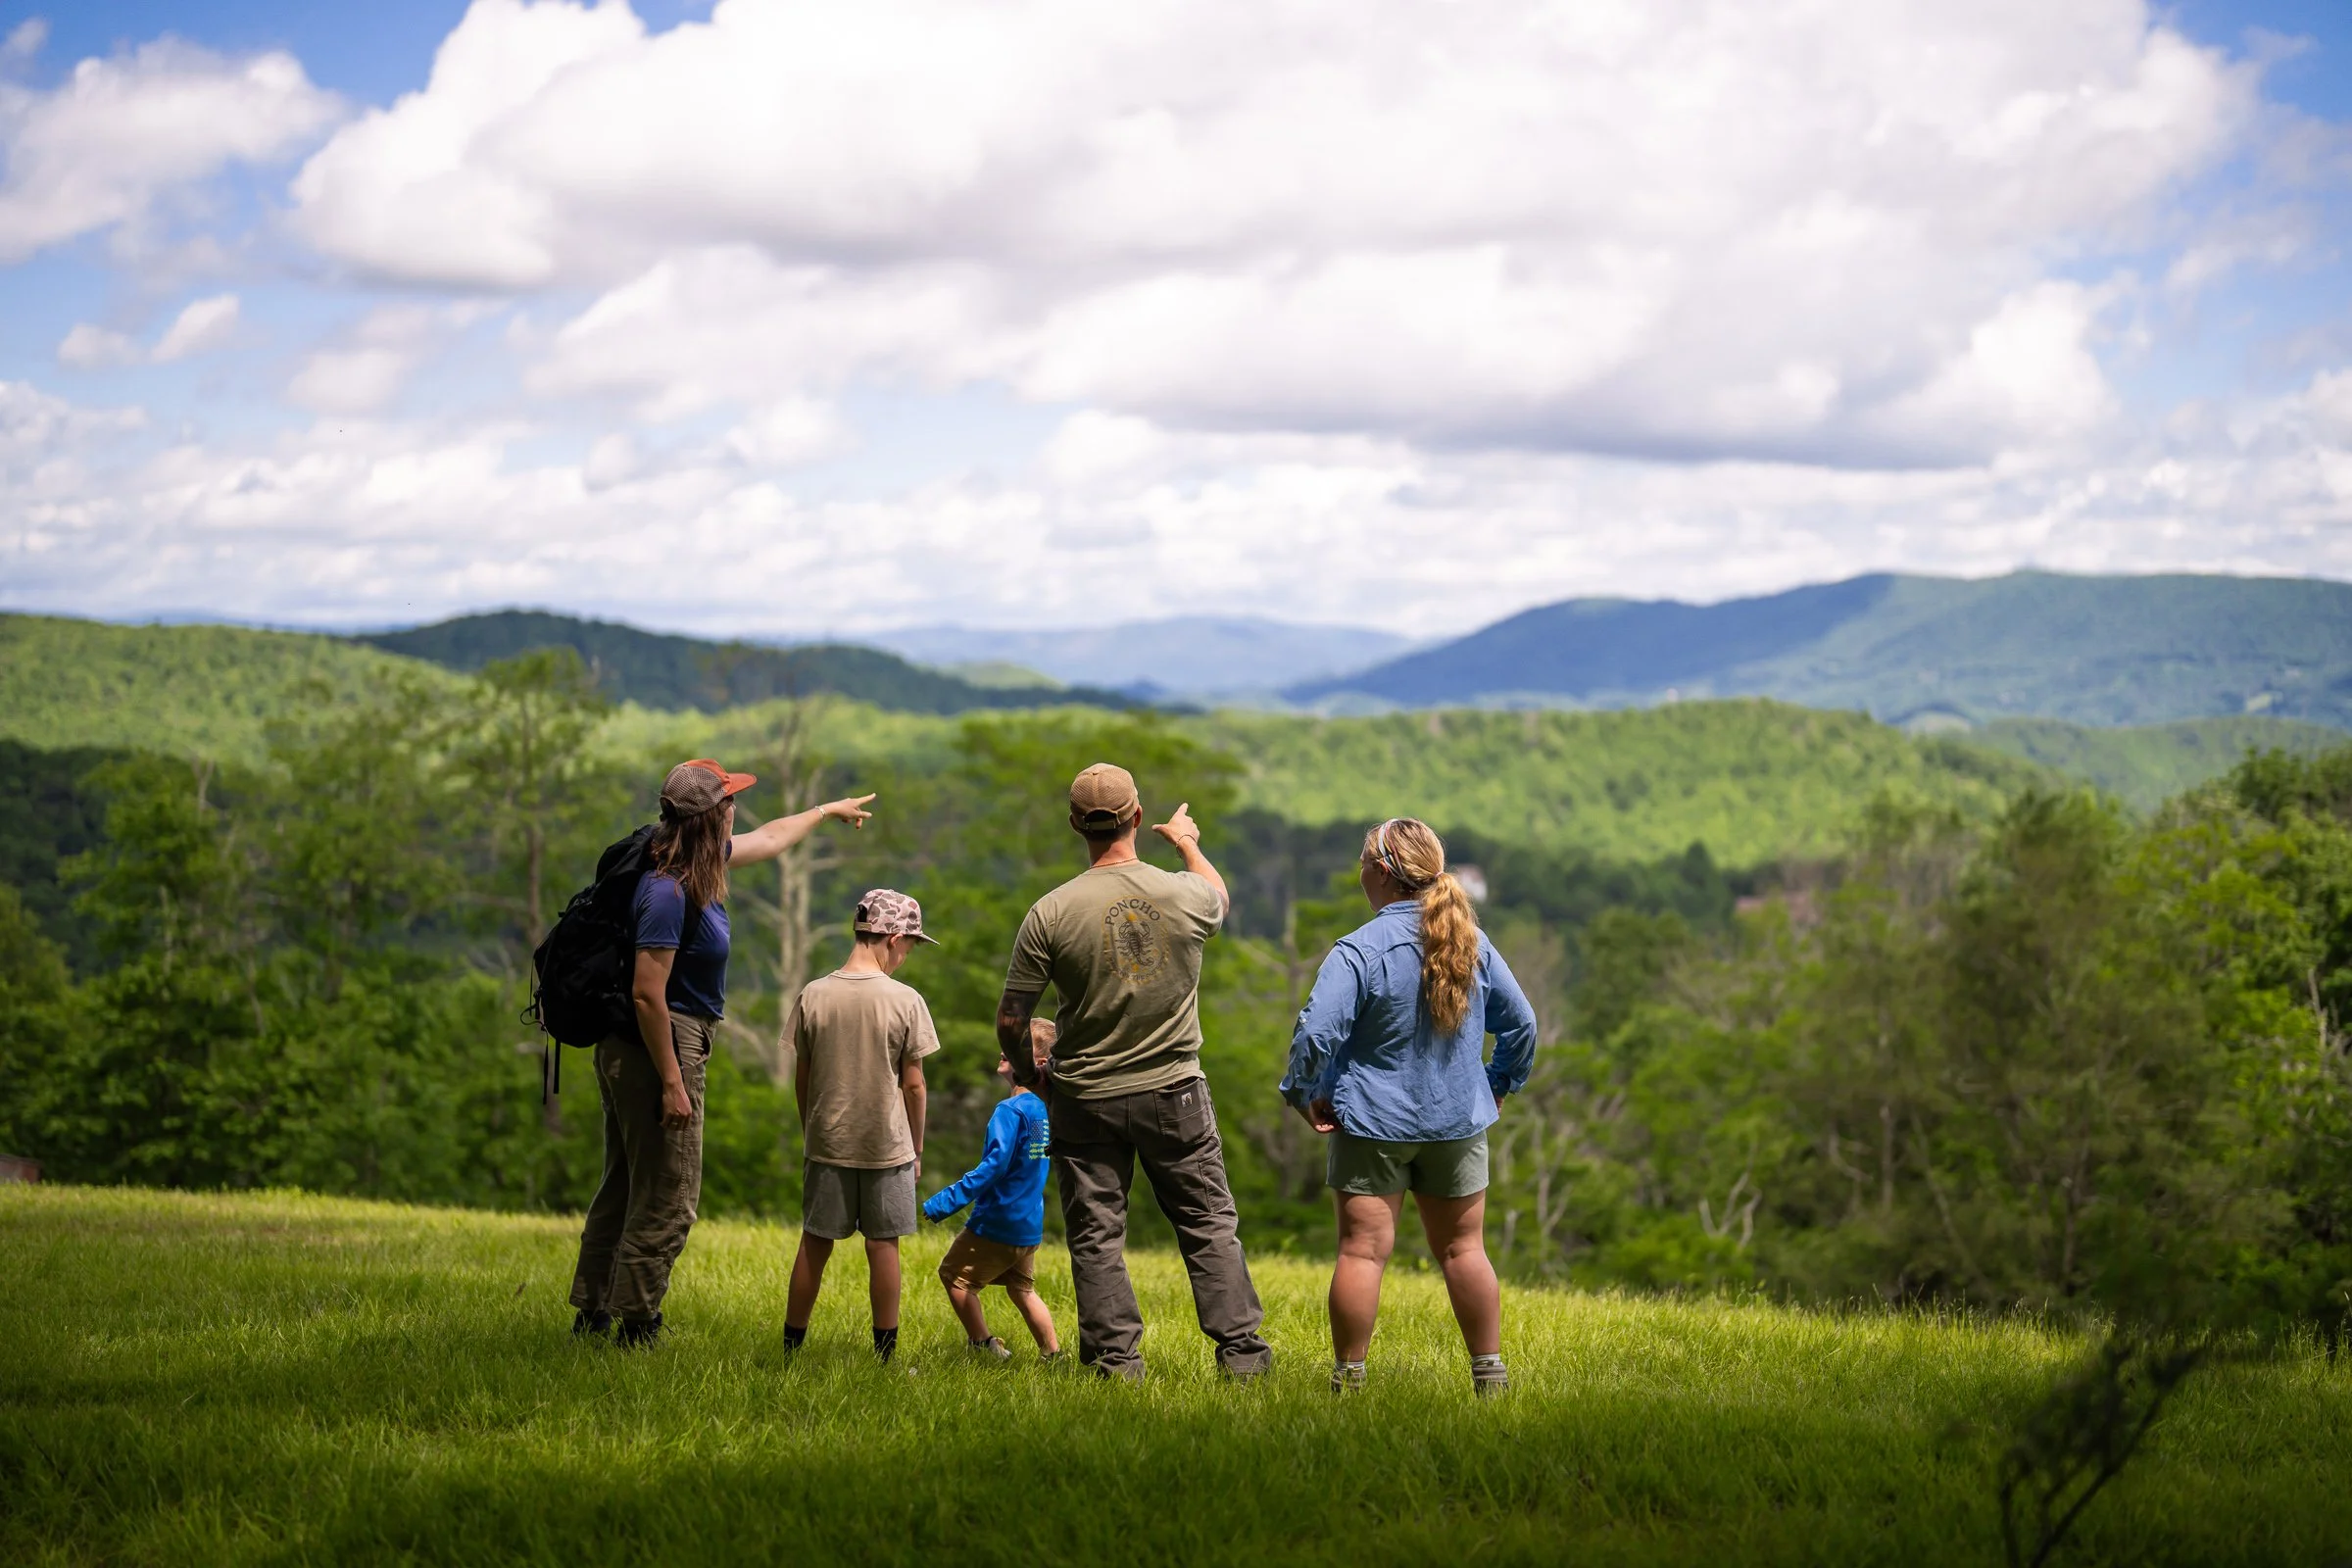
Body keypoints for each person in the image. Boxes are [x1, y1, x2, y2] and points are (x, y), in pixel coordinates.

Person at [570, 760, 874, 1348]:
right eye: (730, 799)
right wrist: (672, 1081)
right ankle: (638, 1325)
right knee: (671, 1194)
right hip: (659, 1044)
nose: (738, 807)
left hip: (642, 1044)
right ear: (714, 815)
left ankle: (594, 1312)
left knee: (627, 1181)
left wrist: (824, 811)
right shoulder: (666, 890)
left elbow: (770, 839)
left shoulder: (692, 859)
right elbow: (646, 993)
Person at [996, 762, 1273, 1382]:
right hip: (1175, 1089)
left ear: (1076, 825)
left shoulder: (1050, 912)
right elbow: (1220, 896)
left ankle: (1117, 1366)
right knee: (1206, 1226)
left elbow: (1013, 1018)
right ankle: (1243, 1360)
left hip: (1085, 1097)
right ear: (1137, 818)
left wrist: (1031, 1075)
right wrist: (1187, 842)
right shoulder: (1184, 893)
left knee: (1097, 1235)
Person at [1279, 816, 1539, 1396]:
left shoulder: (1358, 950)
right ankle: (1489, 1376)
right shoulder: (1472, 943)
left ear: (1381, 872)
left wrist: (1302, 1092)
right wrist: (1497, 1084)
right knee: (1463, 1249)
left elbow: (1316, 1032)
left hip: (1370, 1123)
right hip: (1457, 1122)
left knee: (1363, 1253)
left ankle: (1349, 1382)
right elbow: (1522, 1025)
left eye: (1363, 862)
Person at [782, 889, 942, 1363]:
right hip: (886, 1147)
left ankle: (791, 1347)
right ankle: (885, 1355)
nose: (906, 958)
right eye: (909, 947)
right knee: (882, 1245)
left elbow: (803, 1079)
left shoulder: (814, 994)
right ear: (892, 938)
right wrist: (915, 1147)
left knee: (815, 1243)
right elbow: (914, 1086)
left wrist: (811, 1131)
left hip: (826, 1142)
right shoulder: (905, 1001)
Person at [920, 1020, 1061, 1362]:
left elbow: (993, 1167)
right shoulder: (1042, 1111)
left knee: (954, 1277)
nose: (1004, 1049)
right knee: (1022, 1289)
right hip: (1028, 1224)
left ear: (1039, 1063)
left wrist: (945, 1201)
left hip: (997, 1222)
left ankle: (984, 1347)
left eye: (1016, 1045)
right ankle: (1053, 1355)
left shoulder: (1009, 1111)